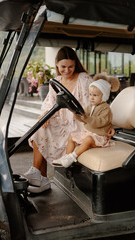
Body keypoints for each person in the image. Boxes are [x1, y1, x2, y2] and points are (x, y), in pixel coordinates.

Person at [23, 46, 93, 193]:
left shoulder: (84, 79)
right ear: (57, 64)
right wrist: (44, 115)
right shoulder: (56, 81)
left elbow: (89, 105)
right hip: (62, 122)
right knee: (41, 126)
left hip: (80, 124)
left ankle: (40, 178)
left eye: (71, 66)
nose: (67, 70)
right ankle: (39, 175)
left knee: (44, 129)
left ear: (76, 64)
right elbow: (49, 103)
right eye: (63, 67)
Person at [53, 73, 120, 168]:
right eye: (90, 95)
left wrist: (87, 118)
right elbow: (83, 118)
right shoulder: (90, 106)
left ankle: (72, 157)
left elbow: (100, 121)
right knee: (72, 136)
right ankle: (66, 157)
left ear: (104, 96)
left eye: (95, 95)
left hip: (99, 137)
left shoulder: (106, 109)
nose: (91, 97)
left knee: (88, 140)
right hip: (89, 133)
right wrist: (76, 113)